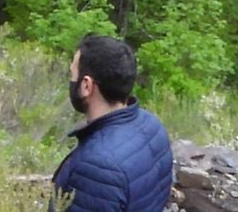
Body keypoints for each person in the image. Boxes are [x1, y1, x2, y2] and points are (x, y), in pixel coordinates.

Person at [52, 35, 174, 212]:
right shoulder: (151, 125)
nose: (71, 81)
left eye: (73, 74)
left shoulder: (97, 166)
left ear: (86, 86)